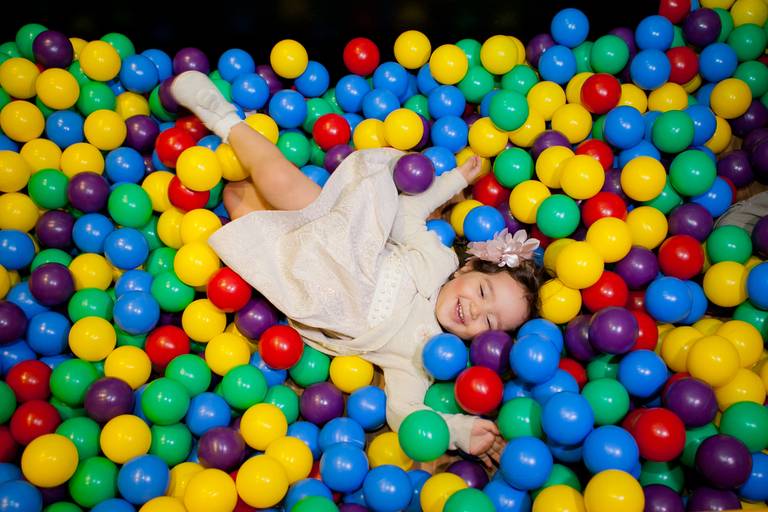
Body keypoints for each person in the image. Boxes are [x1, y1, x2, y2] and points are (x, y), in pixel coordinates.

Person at [171, 70, 546, 466]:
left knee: (237, 199)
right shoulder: (439, 261)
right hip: (339, 240)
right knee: (285, 183)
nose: (474, 311)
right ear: (468, 268)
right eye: (483, 293)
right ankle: (224, 119)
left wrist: (457, 430)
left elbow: (403, 412)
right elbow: (408, 213)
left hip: (306, 285)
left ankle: (245, 178)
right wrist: (451, 182)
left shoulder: (424, 357)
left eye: (489, 323)